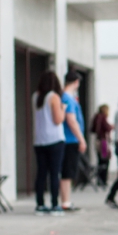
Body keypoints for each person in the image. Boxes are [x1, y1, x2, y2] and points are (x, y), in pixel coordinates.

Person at [32, 70, 66, 216]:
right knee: (54, 173)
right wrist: (63, 110)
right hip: (54, 140)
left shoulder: (35, 96)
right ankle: (54, 204)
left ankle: (40, 204)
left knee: (41, 173)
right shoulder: (54, 97)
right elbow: (57, 120)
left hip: (39, 140)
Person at [59, 71, 87, 212]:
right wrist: (81, 139)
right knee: (67, 172)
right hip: (70, 140)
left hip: (69, 139)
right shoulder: (68, 99)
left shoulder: (66, 97)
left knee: (67, 172)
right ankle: (66, 201)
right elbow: (71, 120)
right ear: (76, 82)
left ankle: (66, 200)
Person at [91, 104, 112, 186]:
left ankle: (100, 179)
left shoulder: (96, 117)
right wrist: (111, 126)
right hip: (102, 141)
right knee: (105, 160)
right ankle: (103, 179)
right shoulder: (102, 117)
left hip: (98, 140)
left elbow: (92, 129)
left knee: (100, 160)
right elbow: (107, 127)